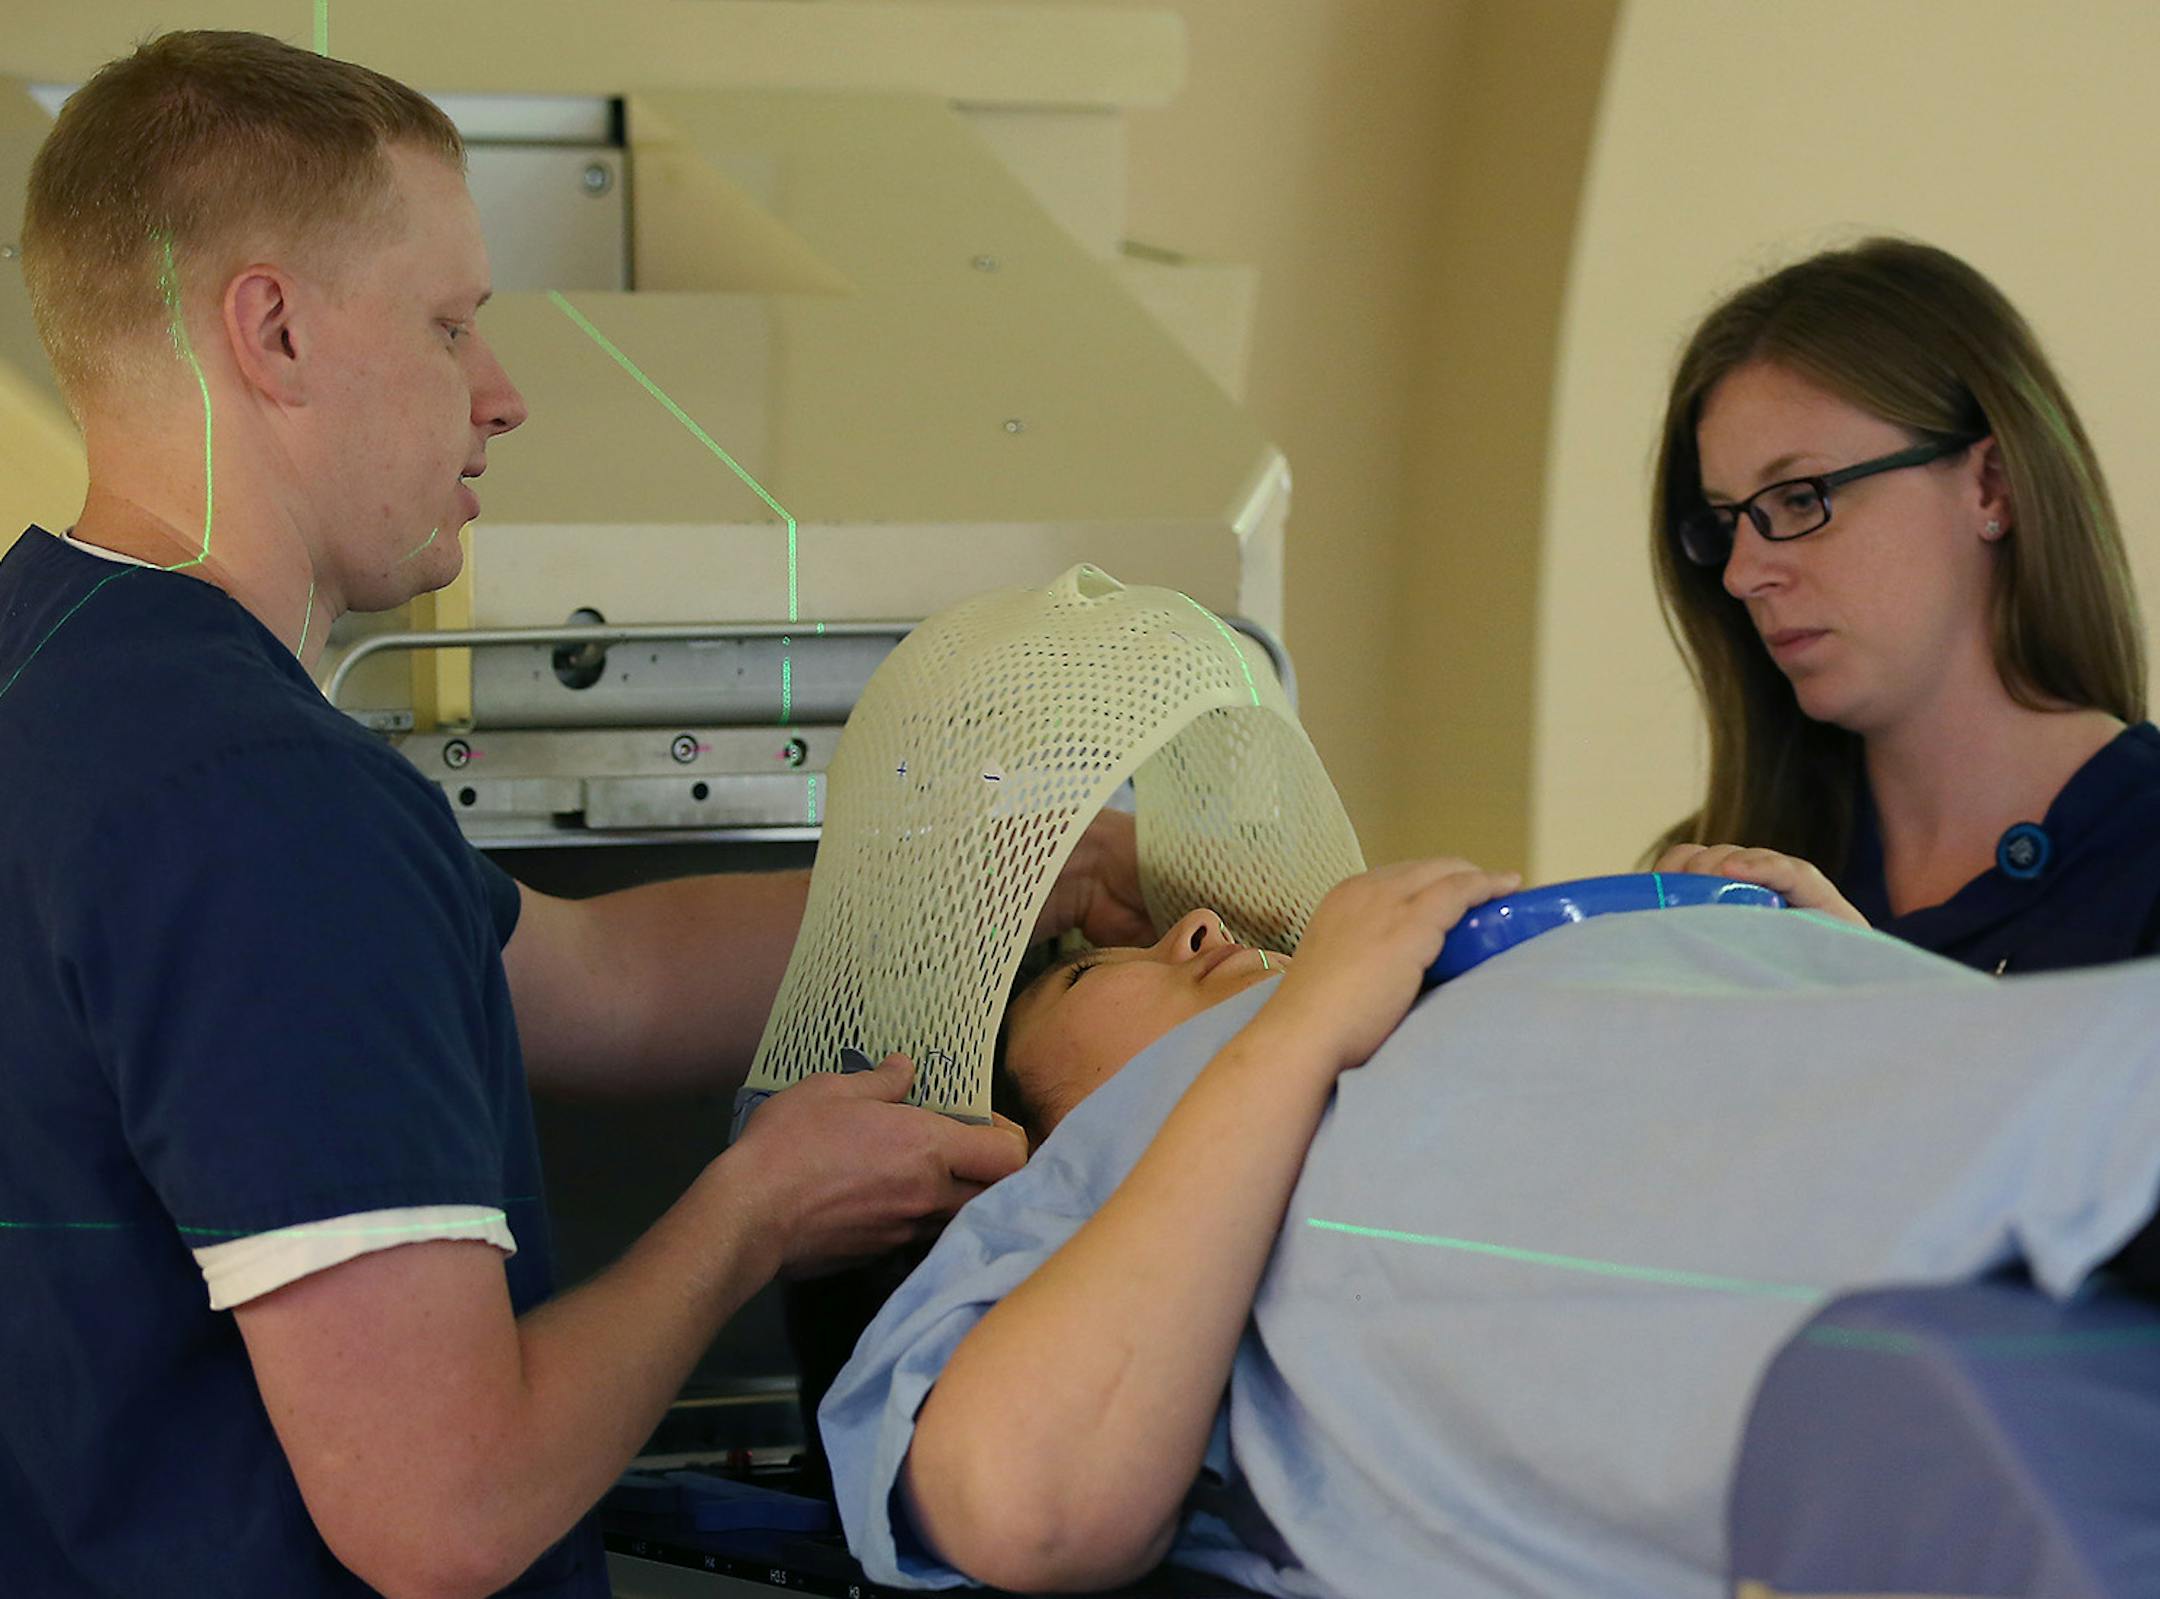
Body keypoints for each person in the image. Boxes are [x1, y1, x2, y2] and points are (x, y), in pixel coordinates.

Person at [0, 32, 1144, 1599]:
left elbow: (603, 975)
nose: (503, 392)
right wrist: (754, 1212)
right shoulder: (264, 809)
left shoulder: (62, 672)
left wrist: (1005, 871)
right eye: (450, 321)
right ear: (270, 328)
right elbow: (445, 1510)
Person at [819, 868, 2160, 1598]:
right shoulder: (1061, 1207)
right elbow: (1023, 1499)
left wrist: (1842, 960)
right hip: (1945, 1298)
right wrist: (1296, 1026)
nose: (1206, 924)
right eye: (1099, 968)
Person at [1644, 238, 2160, 976]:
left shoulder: (2142, 859)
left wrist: (1876, 997)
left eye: (1800, 497)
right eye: (1727, 522)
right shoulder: (1713, 888)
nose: (1741, 573)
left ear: (1992, 487)